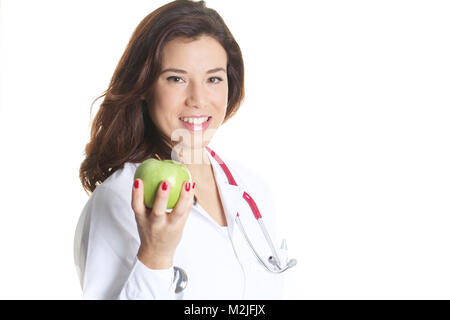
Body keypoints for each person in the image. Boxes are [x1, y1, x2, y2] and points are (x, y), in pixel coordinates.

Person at [74, 0, 294, 300]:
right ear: (144, 86)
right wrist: (155, 256)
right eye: (176, 79)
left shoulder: (253, 189)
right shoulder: (119, 198)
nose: (198, 99)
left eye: (213, 78)